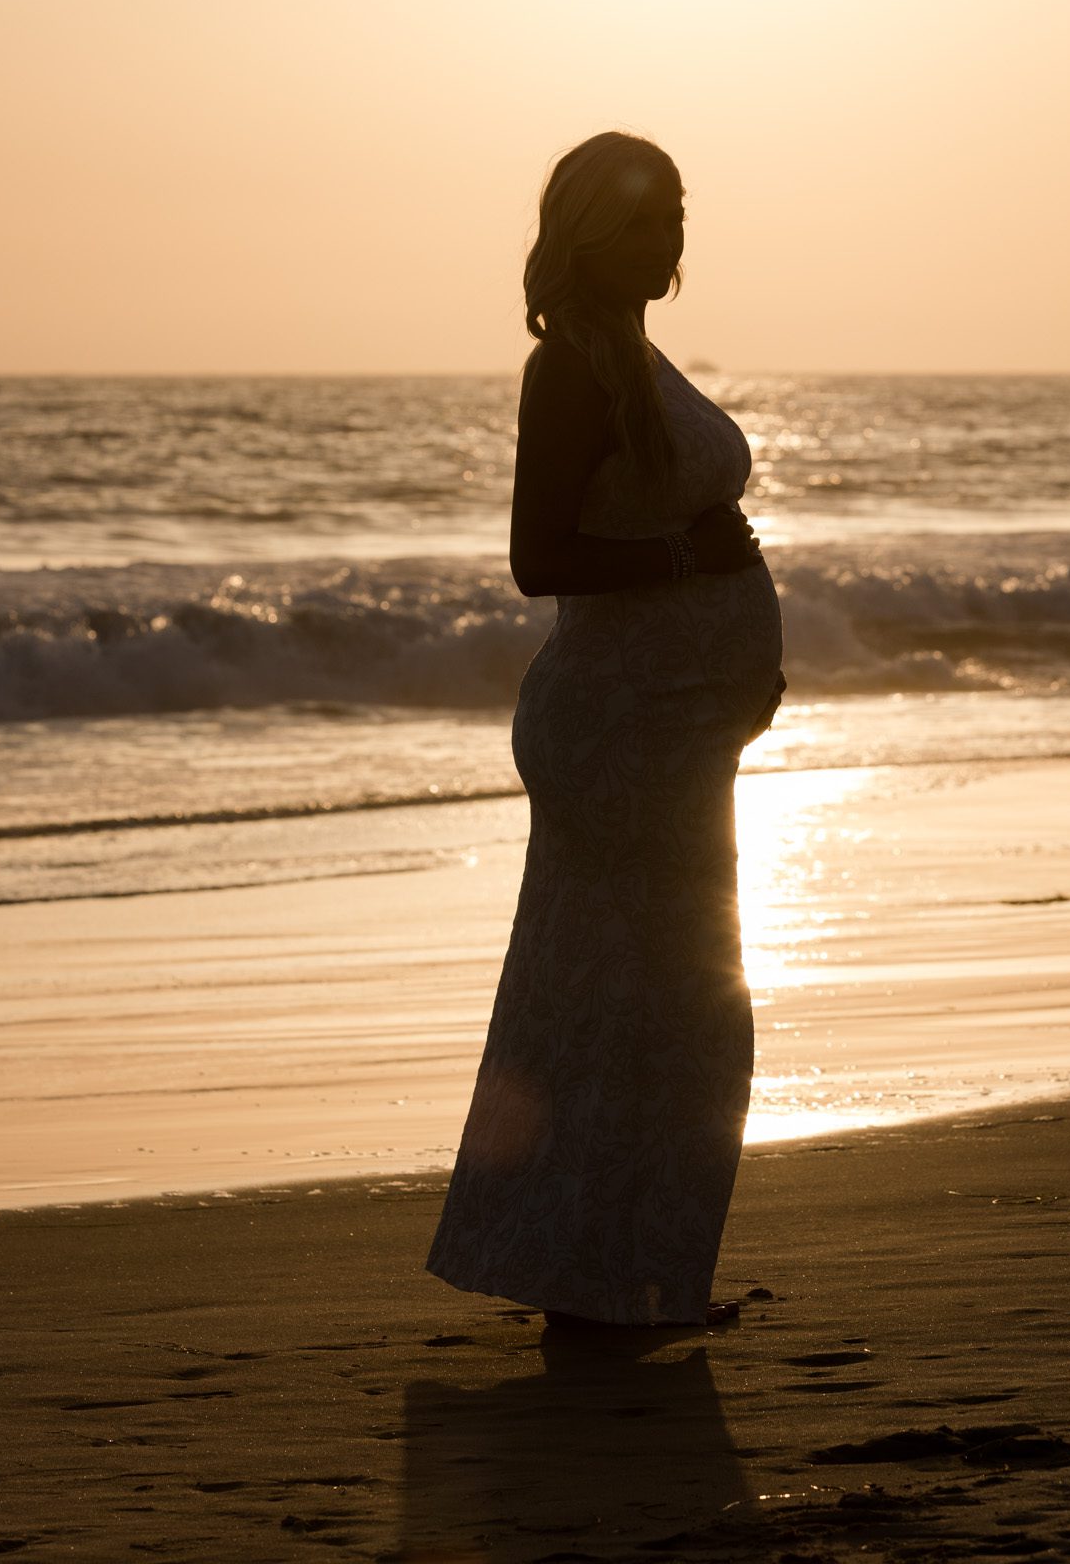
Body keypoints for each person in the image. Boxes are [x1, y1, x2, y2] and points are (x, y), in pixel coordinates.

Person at [425, 131, 785, 1330]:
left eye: (675, 213)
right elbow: (540, 558)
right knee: (644, 1003)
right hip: (615, 736)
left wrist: (734, 666)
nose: (666, 236)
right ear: (584, 231)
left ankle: (627, 1273)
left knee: (657, 1005)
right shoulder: (573, 366)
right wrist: (688, 559)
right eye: (639, 218)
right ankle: (598, 1282)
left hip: (671, 733)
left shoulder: (633, 354)